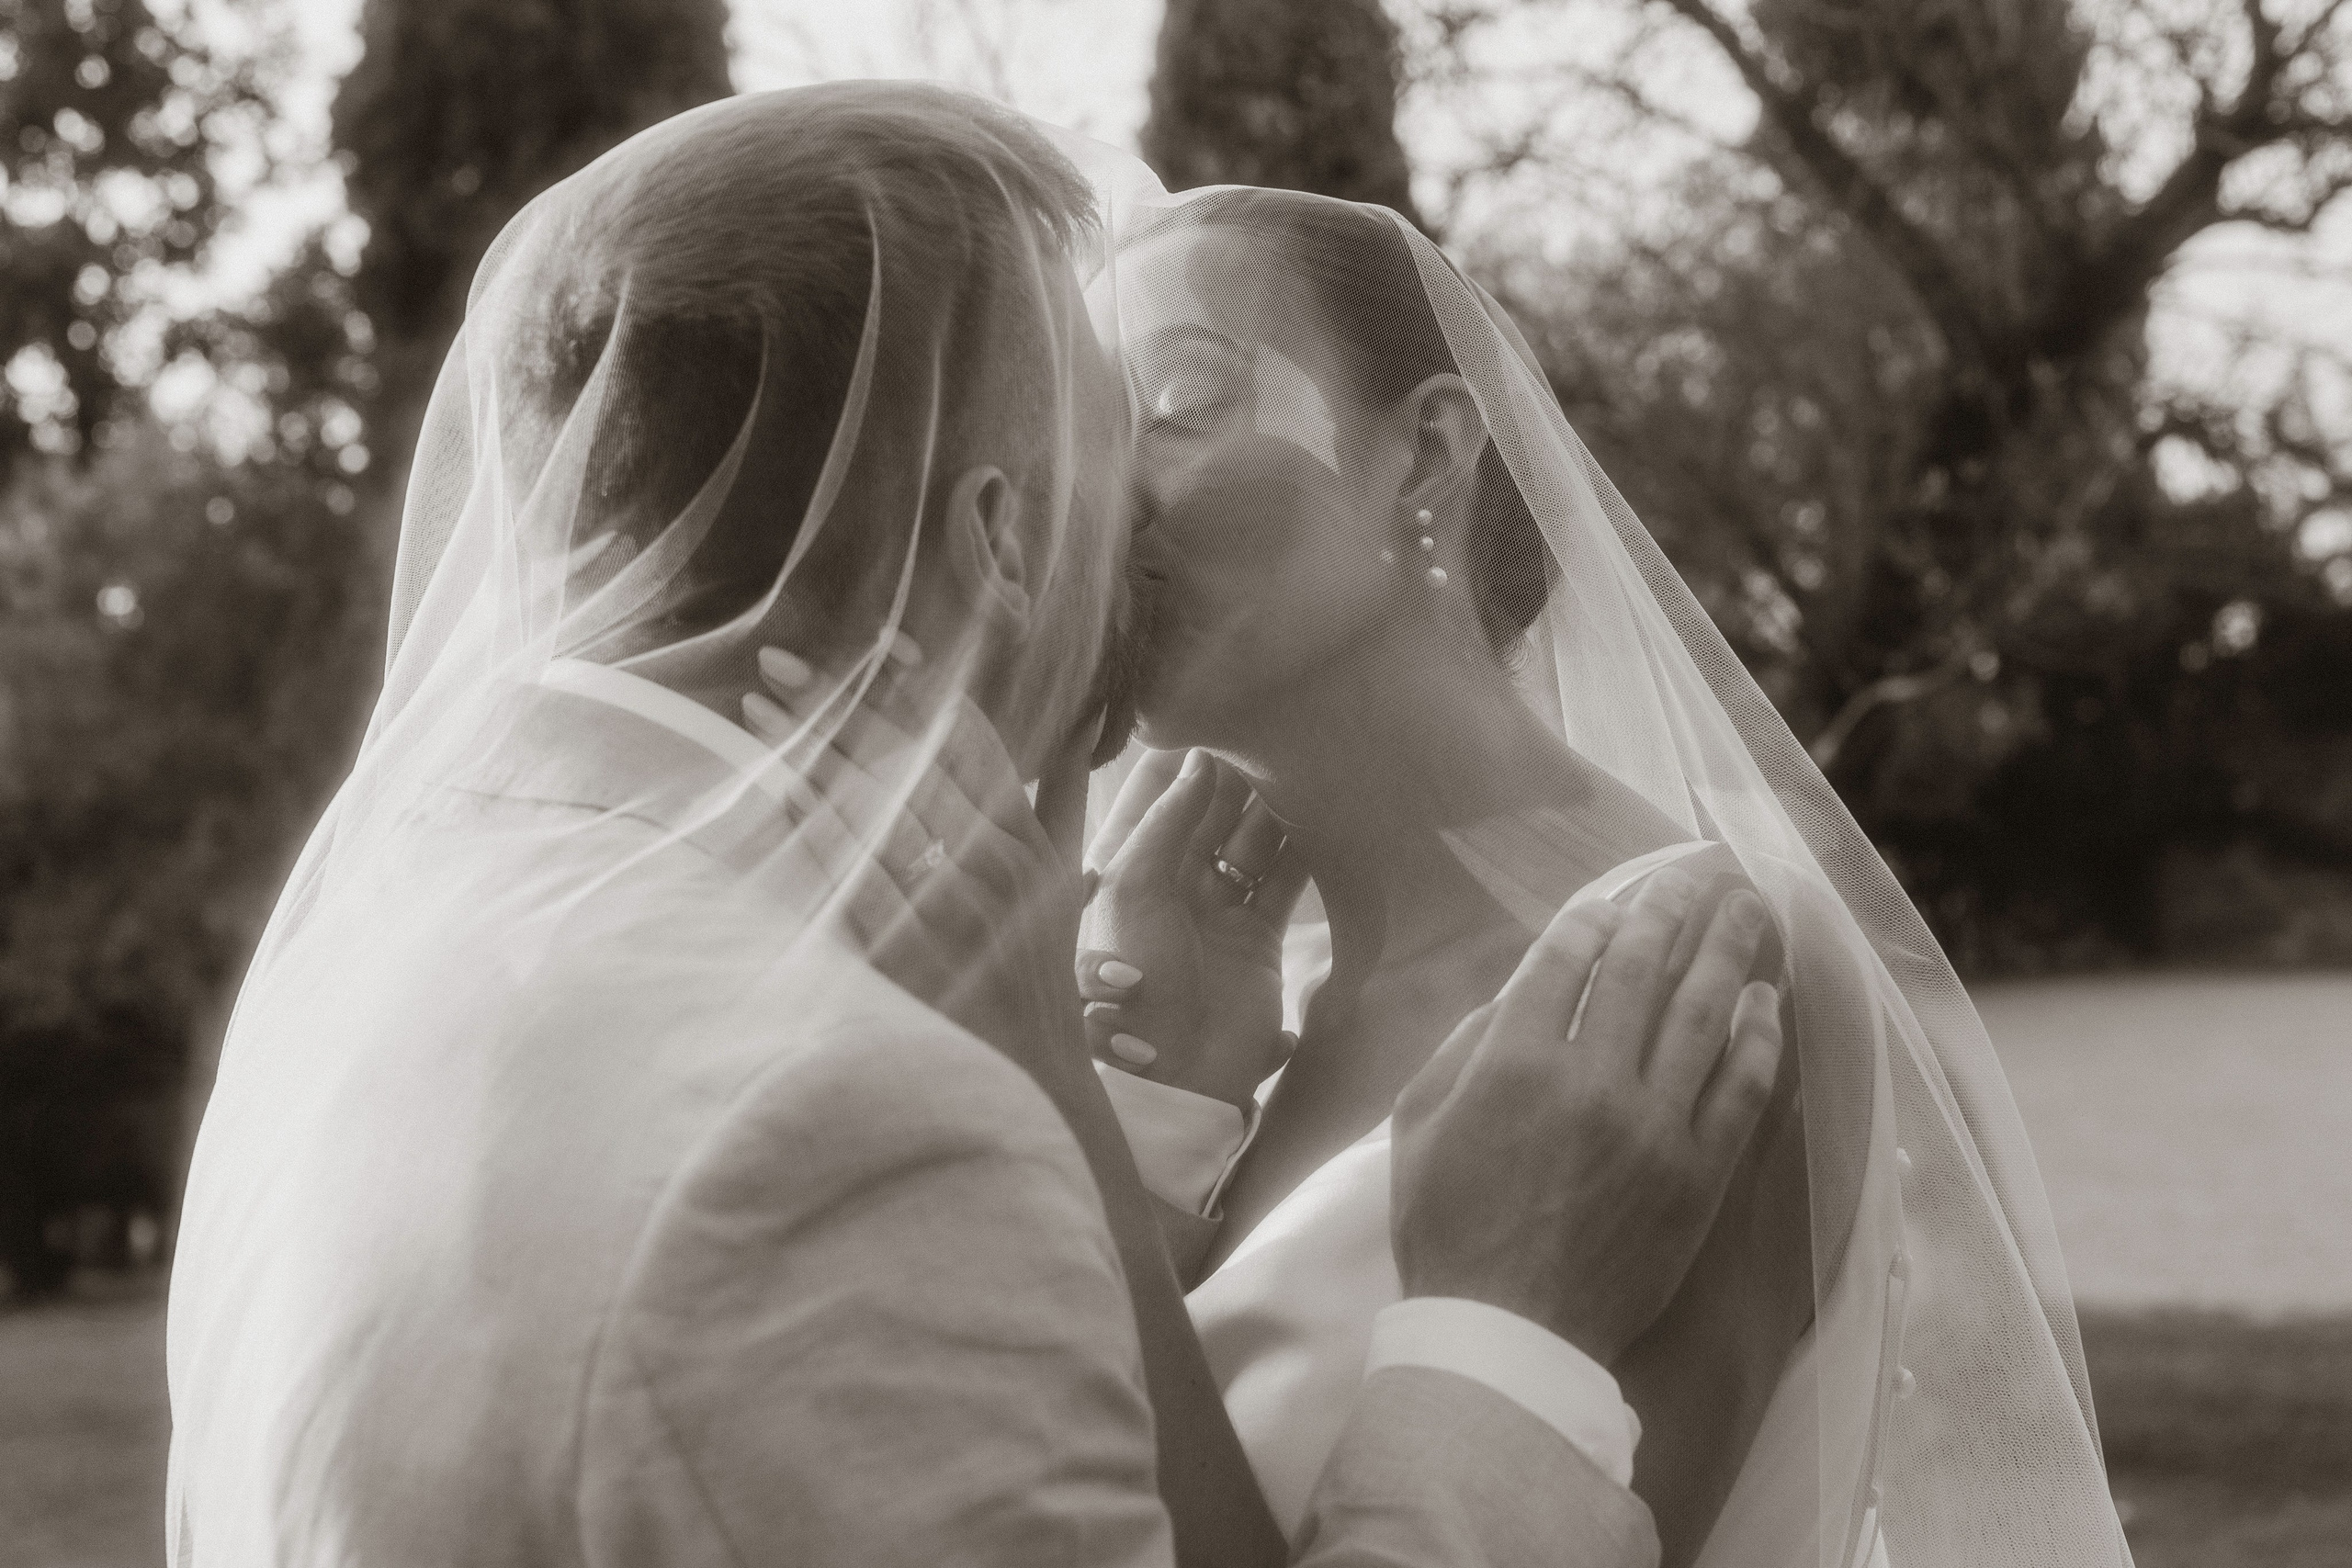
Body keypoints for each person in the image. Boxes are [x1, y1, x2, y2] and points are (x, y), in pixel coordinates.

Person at [166, 85, 1786, 1567]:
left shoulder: (383, 937)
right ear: (1004, 539)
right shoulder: (842, 1118)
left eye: (1187, 404)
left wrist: (1102, 1114)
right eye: (1113, 426)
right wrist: (1505, 1326)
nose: (1138, 511)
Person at [1009, 182, 2134, 1567]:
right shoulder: (1221, 1031)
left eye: (1180, 403)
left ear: (1424, 451)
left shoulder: (1687, 969)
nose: (1099, 499)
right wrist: (1147, 1125)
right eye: (1083, 435)